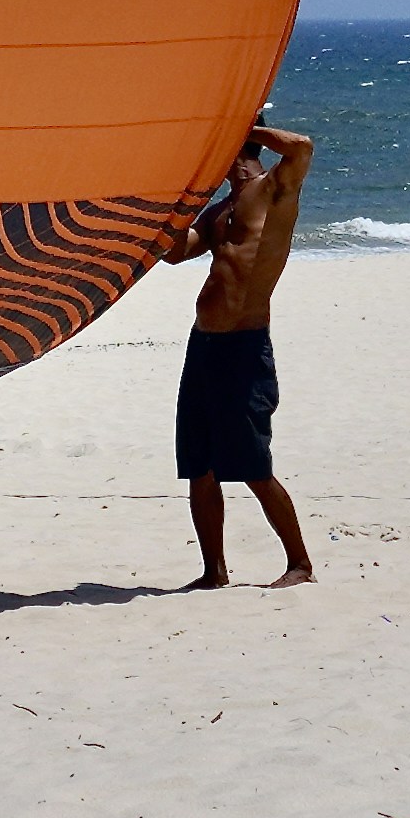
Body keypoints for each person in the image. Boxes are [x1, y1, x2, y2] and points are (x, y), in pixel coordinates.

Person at [165, 120, 315, 587]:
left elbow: (302, 148)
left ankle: (300, 565)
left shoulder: (275, 189)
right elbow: (177, 253)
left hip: (244, 347)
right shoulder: (221, 209)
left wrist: (239, 121)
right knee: (200, 467)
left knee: (252, 465)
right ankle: (214, 570)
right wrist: (160, 213)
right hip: (203, 345)